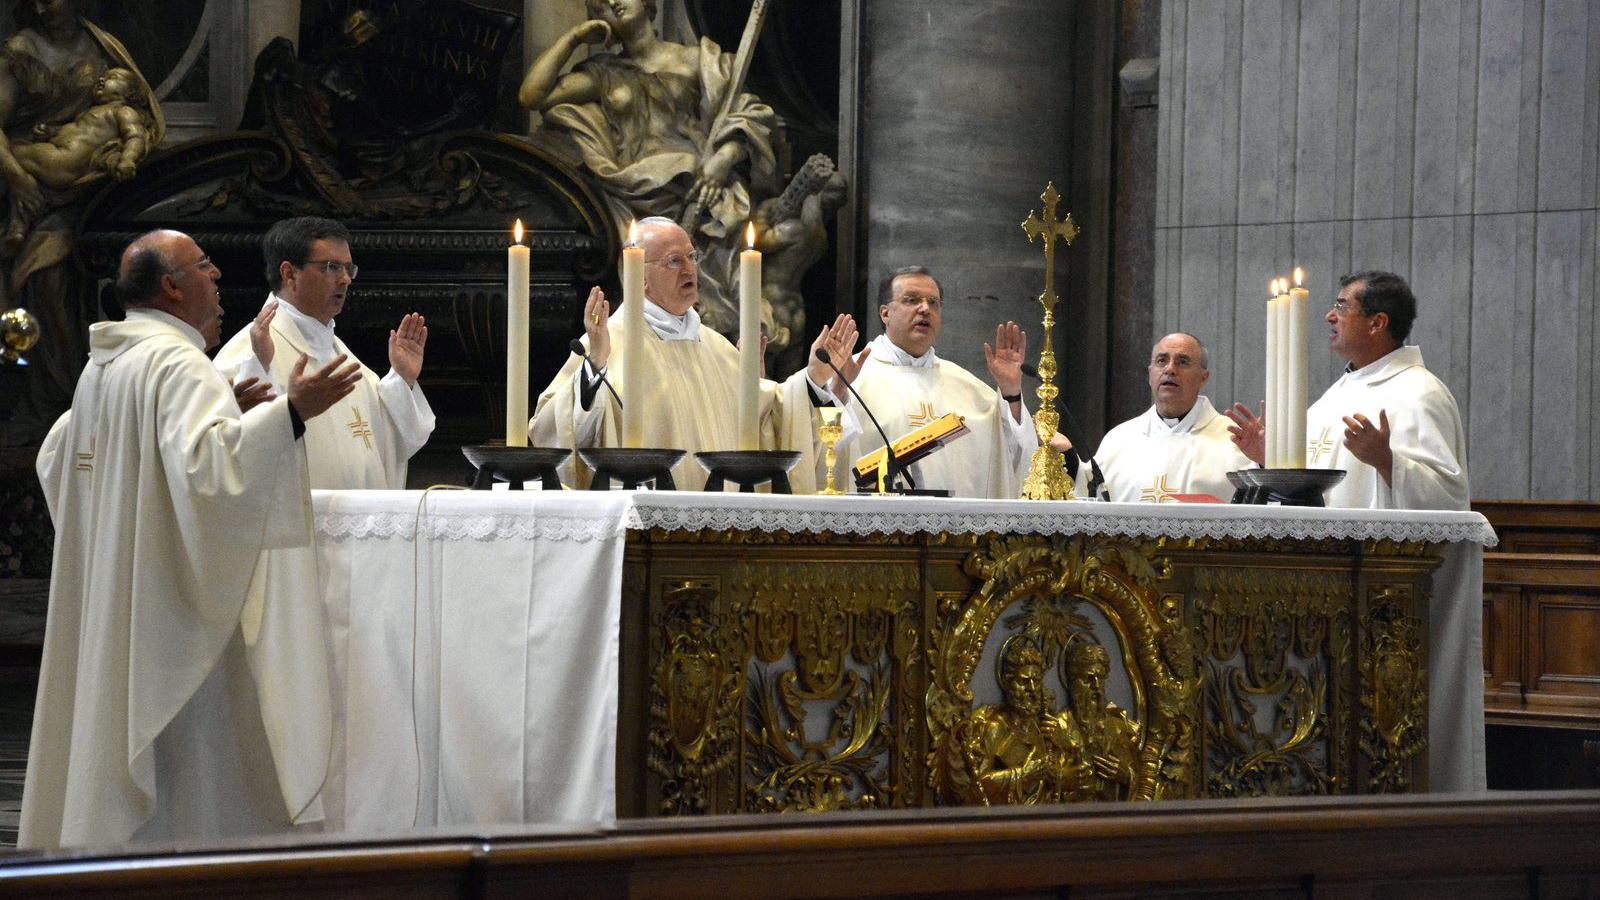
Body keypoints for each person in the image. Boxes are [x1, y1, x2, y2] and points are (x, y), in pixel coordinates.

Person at [22, 229, 361, 848]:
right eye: (204, 267)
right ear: (173, 287)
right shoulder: (178, 364)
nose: (217, 278)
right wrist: (290, 412)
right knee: (189, 774)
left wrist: (225, 410)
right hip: (168, 613)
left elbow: (61, 455)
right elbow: (213, 475)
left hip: (119, 598)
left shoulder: (110, 363)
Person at [529, 216, 859, 492]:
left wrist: (814, 378)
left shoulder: (716, 347)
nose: (690, 270)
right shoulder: (606, 343)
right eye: (675, 261)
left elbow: (768, 420)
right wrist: (595, 365)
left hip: (719, 530)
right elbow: (552, 430)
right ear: (640, 278)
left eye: (692, 257)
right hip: (646, 530)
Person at [517, 0, 779, 338]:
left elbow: (749, 114)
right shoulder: (602, 73)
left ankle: (724, 353)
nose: (612, 2)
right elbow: (531, 95)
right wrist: (575, 37)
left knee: (718, 293)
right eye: (599, 4)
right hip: (633, 191)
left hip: (699, 186)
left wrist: (722, 160)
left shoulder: (697, 59)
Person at [214, 216, 434, 490]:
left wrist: (402, 380)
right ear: (289, 273)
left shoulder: (344, 357)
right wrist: (261, 369)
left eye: (347, 268)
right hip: (299, 530)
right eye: (331, 267)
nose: (344, 279)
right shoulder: (249, 352)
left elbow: (395, 443)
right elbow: (234, 450)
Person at [1225, 271, 1468, 510]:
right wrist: (1270, 459)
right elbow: (1308, 489)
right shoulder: (1337, 394)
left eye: (1341, 307)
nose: (1329, 316)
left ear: (1376, 323)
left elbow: (1448, 497)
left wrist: (1387, 461)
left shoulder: (1420, 393)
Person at [832, 266, 1037, 498]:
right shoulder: (850, 378)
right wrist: (837, 391)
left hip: (956, 530)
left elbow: (1012, 455)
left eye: (933, 302)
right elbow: (824, 450)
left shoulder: (968, 388)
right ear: (885, 314)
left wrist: (1011, 392)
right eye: (911, 300)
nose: (924, 309)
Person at [1085, 333, 1251, 502]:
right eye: (1161, 361)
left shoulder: (1235, 439)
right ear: (1150, 374)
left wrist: (1264, 459)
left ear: (1203, 377)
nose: (1170, 369)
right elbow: (1087, 495)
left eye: (1183, 362)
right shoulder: (1118, 439)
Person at [5, 67, 151, 245]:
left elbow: (135, 136)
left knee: (11, 153)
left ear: (130, 92)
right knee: (25, 182)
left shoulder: (124, 111)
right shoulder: (91, 112)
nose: (102, 80)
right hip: (62, 162)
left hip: (62, 160)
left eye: (112, 77)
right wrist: (50, 131)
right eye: (102, 76)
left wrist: (128, 159)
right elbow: (74, 132)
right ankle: (18, 228)